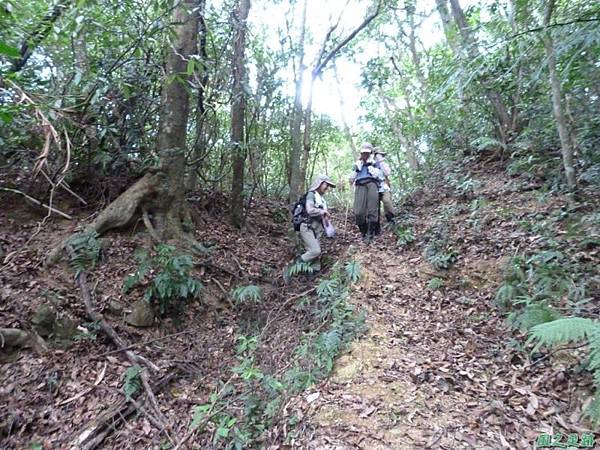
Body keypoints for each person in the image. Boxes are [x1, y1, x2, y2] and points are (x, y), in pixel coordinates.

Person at [285, 175, 336, 281]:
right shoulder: (311, 195)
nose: (328, 188)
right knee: (315, 250)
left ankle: (310, 275)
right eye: (326, 184)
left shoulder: (321, 199)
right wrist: (323, 212)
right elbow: (310, 210)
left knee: (315, 254)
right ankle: (294, 266)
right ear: (320, 183)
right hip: (307, 226)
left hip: (316, 228)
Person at [349, 143, 382, 242]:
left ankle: (370, 234)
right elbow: (351, 180)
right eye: (363, 153)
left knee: (372, 210)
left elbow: (380, 176)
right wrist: (356, 170)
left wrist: (372, 168)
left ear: (371, 153)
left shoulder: (375, 162)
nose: (365, 155)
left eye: (367, 153)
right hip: (360, 185)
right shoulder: (357, 163)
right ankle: (363, 232)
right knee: (358, 212)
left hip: (372, 183)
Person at [374, 147, 396, 223]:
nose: (381, 156)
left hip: (383, 186)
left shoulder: (383, 164)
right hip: (374, 188)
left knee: (387, 201)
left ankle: (391, 219)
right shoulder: (371, 164)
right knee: (375, 207)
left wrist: (381, 163)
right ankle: (376, 224)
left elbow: (387, 173)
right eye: (379, 154)